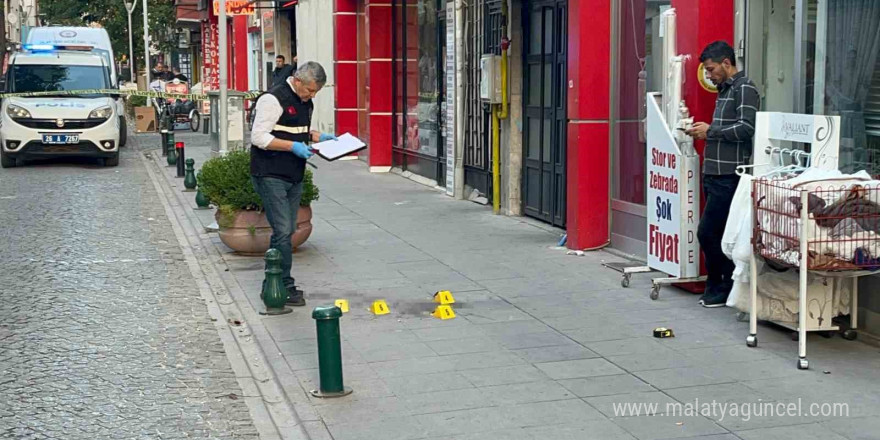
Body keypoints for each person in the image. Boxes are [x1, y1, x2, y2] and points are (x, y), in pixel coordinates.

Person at [250, 62, 337, 306]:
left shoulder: (305, 100)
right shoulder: (272, 99)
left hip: (293, 174)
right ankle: (281, 284)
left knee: (286, 230)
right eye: (310, 90)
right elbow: (259, 137)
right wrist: (293, 147)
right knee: (283, 230)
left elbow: (297, 130)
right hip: (270, 172)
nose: (312, 96)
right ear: (297, 80)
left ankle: (275, 282)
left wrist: (319, 137)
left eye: (316, 92)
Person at [686, 40, 760, 308]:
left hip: (729, 174)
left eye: (711, 69)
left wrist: (711, 131)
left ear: (727, 63)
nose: (708, 74)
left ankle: (724, 283)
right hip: (714, 171)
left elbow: (746, 128)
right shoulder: (725, 89)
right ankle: (716, 284)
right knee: (715, 232)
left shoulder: (745, 88)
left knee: (708, 232)